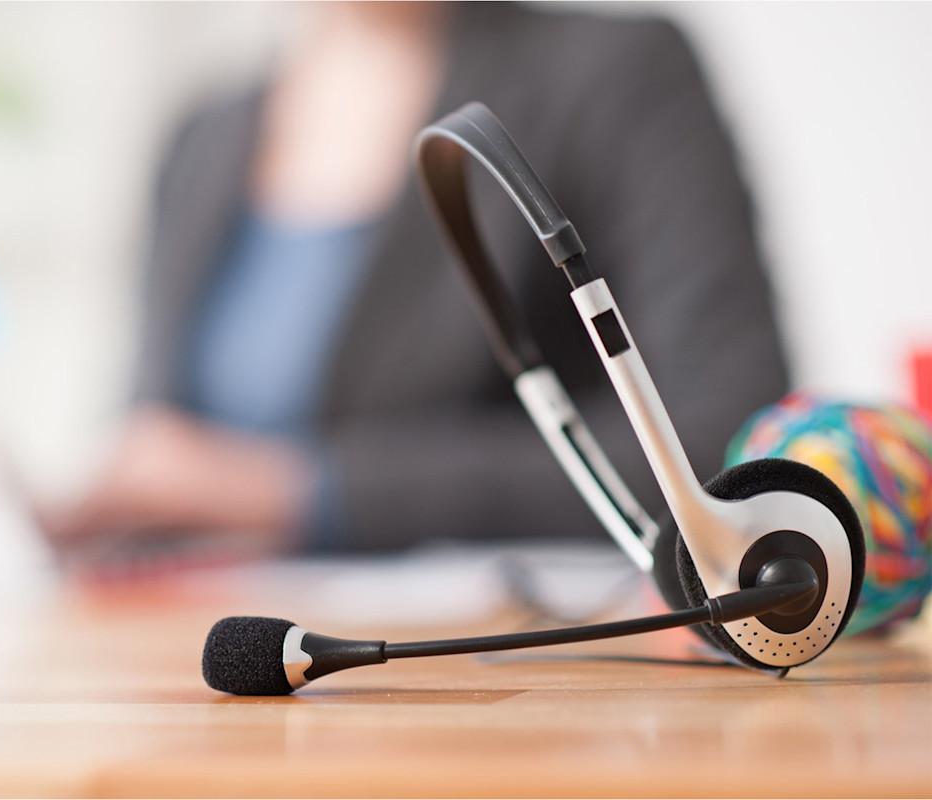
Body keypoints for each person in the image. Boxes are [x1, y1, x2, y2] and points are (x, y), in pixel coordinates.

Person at [42, 3, 789, 561]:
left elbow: (727, 442)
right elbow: (155, 436)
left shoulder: (615, 75)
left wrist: (298, 493)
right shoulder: (202, 136)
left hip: (505, 679)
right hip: (202, 664)